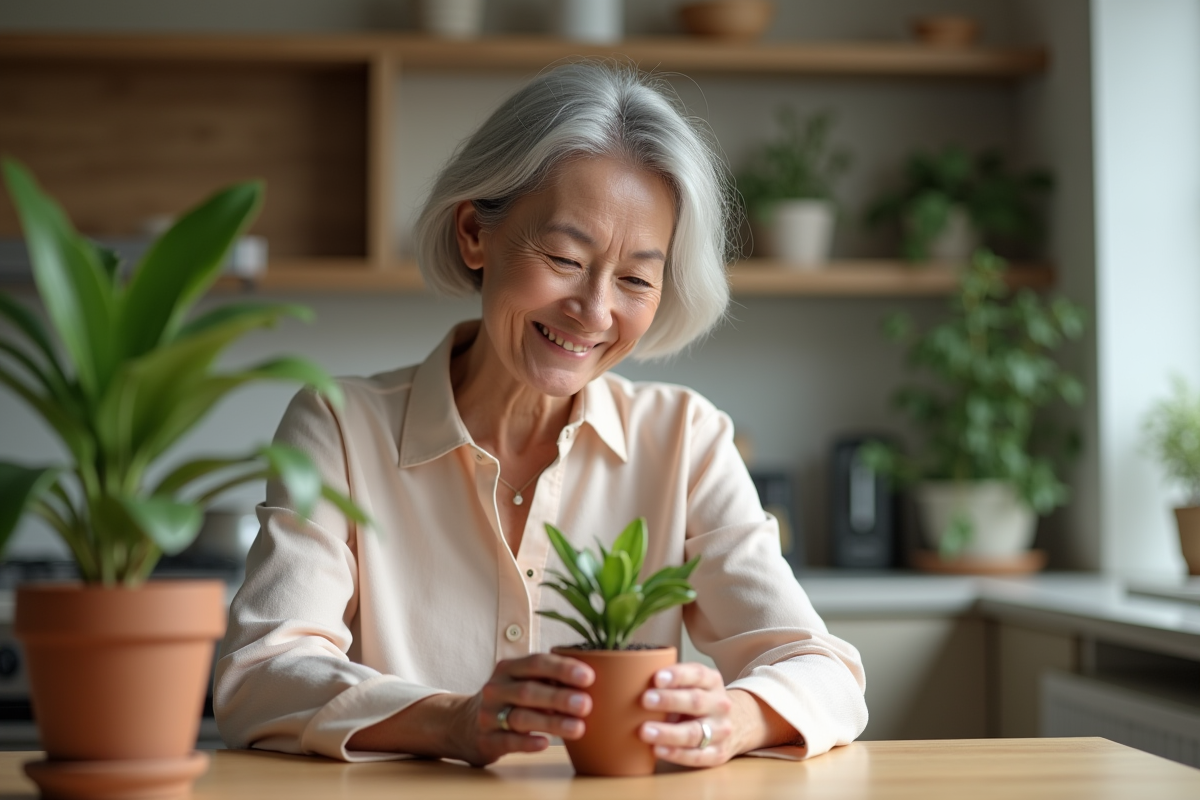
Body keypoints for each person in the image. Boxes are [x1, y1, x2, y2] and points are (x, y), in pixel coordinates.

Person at [214, 62, 867, 769]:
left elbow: (825, 673)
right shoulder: (340, 428)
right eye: (563, 256)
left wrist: (731, 719)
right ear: (474, 234)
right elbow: (259, 677)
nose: (593, 310)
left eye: (635, 280)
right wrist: (452, 722)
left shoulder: (687, 440)